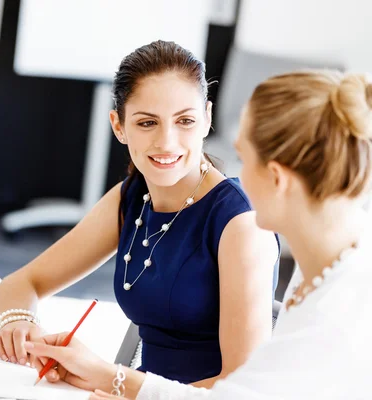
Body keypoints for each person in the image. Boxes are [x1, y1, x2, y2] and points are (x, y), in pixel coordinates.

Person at [23, 69, 372, 400]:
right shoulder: (323, 268)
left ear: (277, 178)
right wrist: (108, 377)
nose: (235, 178)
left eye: (242, 158)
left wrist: (115, 382)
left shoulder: (342, 309)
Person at [0, 40, 280, 388]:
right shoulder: (132, 197)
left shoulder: (240, 223)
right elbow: (21, 283)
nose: (167, 142)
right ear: (119, 126)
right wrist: (19, 324)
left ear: (207, 118)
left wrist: (108, 377)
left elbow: (244, 388)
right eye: (147, 123)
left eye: (185, 121)